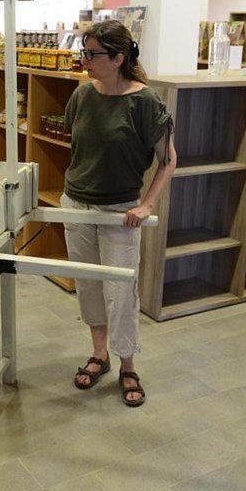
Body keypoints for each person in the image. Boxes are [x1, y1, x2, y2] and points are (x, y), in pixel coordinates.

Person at [61, 20, 177, 407]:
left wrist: (146, 205)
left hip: (120, 211)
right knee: (89, 284)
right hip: (76, 204)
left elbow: (168, 160)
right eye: (84, 51)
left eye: (92, 54)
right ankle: (100, 354)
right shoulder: (81, 95)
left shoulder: (146, 103)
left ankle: (128, 363)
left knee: (121, 292)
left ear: (118, 58)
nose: (85, 60)